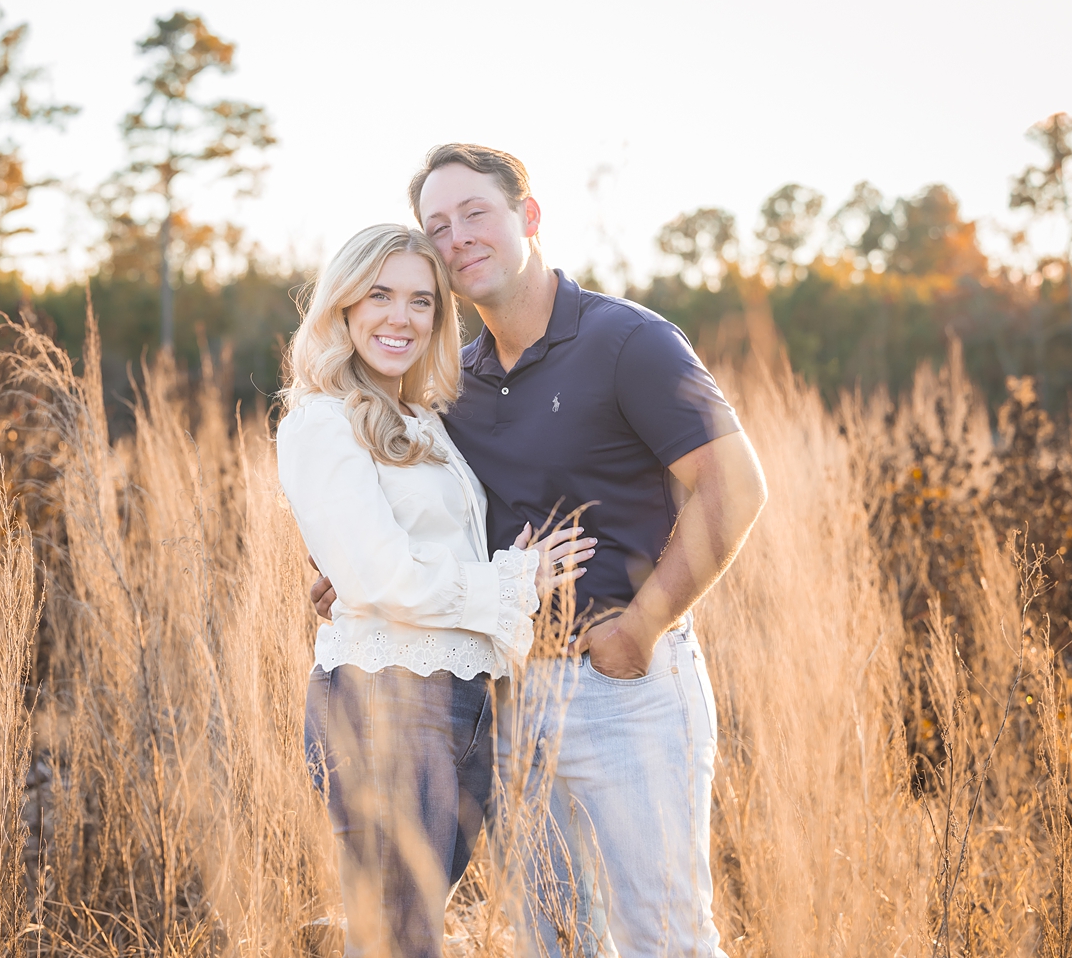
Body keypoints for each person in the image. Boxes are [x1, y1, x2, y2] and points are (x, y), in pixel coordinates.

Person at [309, 146, 768, 958]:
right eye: (437, 226)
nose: (457, 237)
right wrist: (345, 570)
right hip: (509, 699)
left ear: (529, 215)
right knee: (553, 939)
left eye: (474, 213)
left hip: (624, 690)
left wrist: (641, 629)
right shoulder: (453, 379)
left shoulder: (629, 341)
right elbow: (422, 507)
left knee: (665, 938)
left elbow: (734, 486)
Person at [277, 223, 596, 958]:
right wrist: (517, 579)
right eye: (380, 295)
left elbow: (420, 550)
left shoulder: (420, 419)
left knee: (408, 928)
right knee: (399, 936)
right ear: (343, 305)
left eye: (421, 301)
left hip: (461, 696)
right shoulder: (321, 420)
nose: (402, 317)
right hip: (386, 697)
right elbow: (382, 576)